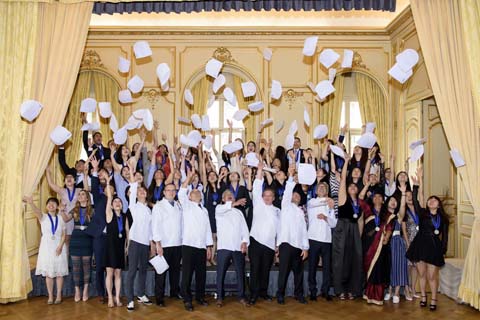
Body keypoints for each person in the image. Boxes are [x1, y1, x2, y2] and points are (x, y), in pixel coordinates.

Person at [406, 173, 449, 311]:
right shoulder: (423, 213)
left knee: (432, 276)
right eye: (430, 200)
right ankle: (423, 296)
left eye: (434, 200)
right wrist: (416, 185)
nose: (431, 201)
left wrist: (443, 250)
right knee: (422, 274)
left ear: (438, 204)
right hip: (420, 245)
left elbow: (445, 237)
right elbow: (415, 200)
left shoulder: (443, 218)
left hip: (434, 247)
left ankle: (434, 298)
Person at [178, 168, 213, 312]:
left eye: (198, 192)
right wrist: (190, 177)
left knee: (201, 274)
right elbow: (181, 191)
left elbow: (208, 229)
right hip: (188, 245)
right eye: (194, 193)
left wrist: (209, 246)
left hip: (201, 246)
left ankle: (200, 296)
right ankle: (187, 299)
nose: (197, 193)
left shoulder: (204, 210)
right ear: (190, 197)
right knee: (187, 274)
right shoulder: (186, 206)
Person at [24, 196, 68, 305]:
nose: (51, 205)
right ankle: (50, 296)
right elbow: (36, 211)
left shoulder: (61, 218)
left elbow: (64, 235)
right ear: (46, 206)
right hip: (47, 247)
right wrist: (31, 203)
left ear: (57, 206)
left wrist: (61, 246)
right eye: (49, 203)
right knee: (49, 273)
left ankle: (58, 295)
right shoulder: (43, 217)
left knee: (59, 273)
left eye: (54, 203)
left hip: (59, 247)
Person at [332, 152, 364, 300]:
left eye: (354, 187)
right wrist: (346, 162)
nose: (351, 187)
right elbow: (344, 179)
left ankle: (352, 289)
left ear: (357, 190)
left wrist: (359, 235)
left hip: (354, 230)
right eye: (349, 186)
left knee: (354, 259)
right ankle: (340, 290)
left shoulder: (359, 203)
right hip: (342, 228)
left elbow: (360, 221)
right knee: (340, 259)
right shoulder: (343, 198)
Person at [276, 166, 309, 305]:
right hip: (285, 243)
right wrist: (290, 177)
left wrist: (305, 247)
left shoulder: (301, 212)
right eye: (294, 195)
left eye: (298, 196)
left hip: (298, 246)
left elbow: (304, 231)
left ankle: (299, 294)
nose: (296, 196)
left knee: (299, 273)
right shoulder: (285, 206)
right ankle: (280, 294)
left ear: (300, 200)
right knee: (283, 271)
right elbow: (288, 190)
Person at [248, 163, 280, 305]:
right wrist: (260, 170)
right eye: (265, 195)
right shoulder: (258, 204)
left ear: (273, 198)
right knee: (255, 269)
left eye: (270, 195)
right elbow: (256, 187)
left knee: (266, 269)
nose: (267, 197)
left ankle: (263, 292)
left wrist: (277, 244)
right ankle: (253, 294)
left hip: (269, 244)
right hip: (255, 241)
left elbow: (279, 230)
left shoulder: (277, 211)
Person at [125, 161, 154, 311]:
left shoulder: (149, 210)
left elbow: (150, 229)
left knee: (143, 269)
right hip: (135, 242)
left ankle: (141, 294)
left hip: (145, 244)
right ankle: (130, 299)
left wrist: (151, 243)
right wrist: (131, 171)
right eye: (139, 191)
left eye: (144, 191)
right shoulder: (133, 206)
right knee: (132, 271)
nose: (141, 192)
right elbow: (133, 186)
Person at [215, 190, 250, 307]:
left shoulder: (239, 213)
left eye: (232, 196)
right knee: (220, 274)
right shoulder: (219, 209)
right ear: (223, 199)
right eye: (228, 196)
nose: (230, 197)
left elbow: (244, 229)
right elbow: (224, 208)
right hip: (224, 247)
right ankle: (220, 297)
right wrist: (234, 203)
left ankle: (241, 296)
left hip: (237, 247)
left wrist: (245, 242)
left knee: (241, 273)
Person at [361, 191, 395, 305]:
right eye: (374, 196)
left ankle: (378, 296)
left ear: (383, 200)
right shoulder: (367, 210)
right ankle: (368, 294)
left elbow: (390, 227)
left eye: (379, 196)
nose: (377, 198)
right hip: (368, 243)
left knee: (379, 269)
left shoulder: (387, 214)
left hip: (381, 245)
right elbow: (360, 199)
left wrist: (387, 237)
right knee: (369, 268)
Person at [152, 183, 183, 307]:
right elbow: (155, 226)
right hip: (164, 244)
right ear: (164, 192)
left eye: (173, 190)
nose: (171, 192)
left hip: (177, 243)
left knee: (175, 271)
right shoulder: (159, 206)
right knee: (161, 272)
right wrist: (158, 244)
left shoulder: (178, 206)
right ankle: (159, 297)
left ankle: (174, 292)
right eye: (168, 190)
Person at [307, 182, 337, 301]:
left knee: (327, 268)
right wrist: (329, 201)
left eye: (324, 188)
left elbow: (334, 223)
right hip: (313, 238)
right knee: (312, 266)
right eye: (319, 187)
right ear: (315, 191)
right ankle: (312, 291)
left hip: (326, 240)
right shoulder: (312, 202)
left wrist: (327, 215)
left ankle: (325, 291)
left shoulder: (330, 205)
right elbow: (314, 204)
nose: (321, 189)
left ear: (327, 191)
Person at [62, 190, 93, 302]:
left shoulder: (92, 210)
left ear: (87, 197)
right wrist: (61, 210)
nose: (80, 196)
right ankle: (77, 291)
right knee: (75, 267)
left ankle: (85, 290)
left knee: (86, 267)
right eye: (79, 194)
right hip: (75, 239)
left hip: (87, 239)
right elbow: (65, 219)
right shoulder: (75, 209)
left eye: (83, 194)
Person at [86, 157, 109, 302]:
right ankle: (101, 292)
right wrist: (94, 170)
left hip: (112, 236)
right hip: (99, 236)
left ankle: (111, 291)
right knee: (100, 265)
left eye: (104, 175)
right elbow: (94, 187)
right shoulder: (99, 197)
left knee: (112, 266)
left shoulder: (115, 200)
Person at [104, 174, 128, 308]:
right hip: (110, 247)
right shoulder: (110, 215)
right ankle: (109, 297)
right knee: (110, 272)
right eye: (115, 202)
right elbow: (109, 198)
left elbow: (127, 233)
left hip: (120, 247)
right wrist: (108, 184)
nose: (117, 203)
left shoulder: (124, 217)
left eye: (119, 202)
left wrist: (127, 246)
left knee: (118, 273)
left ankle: (117, 297)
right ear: (112, 206)